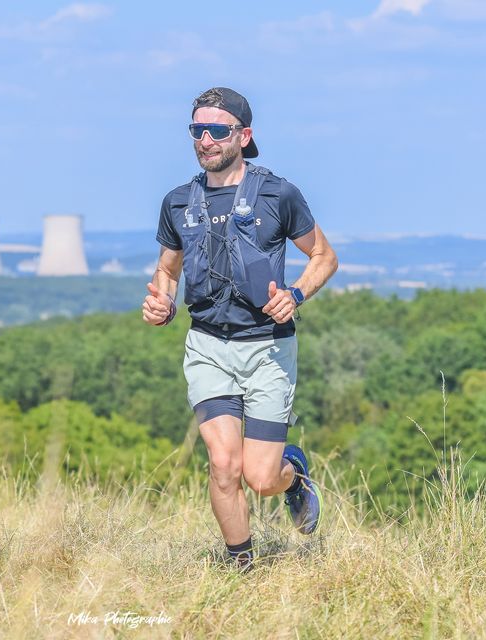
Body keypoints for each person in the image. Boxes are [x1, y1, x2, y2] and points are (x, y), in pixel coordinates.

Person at [143, 87, 339, 571]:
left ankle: (293, 479)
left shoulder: (278, 194)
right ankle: (241, 569)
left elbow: (324, 257)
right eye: (198, 130)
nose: (206, 140)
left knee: (260, 475)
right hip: (208, 346)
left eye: (218, 130)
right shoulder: (177, 203)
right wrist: (161, 303)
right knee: (223, 464)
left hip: (267, 351)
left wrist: (294, 296)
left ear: (244, 135)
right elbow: (167, 271)